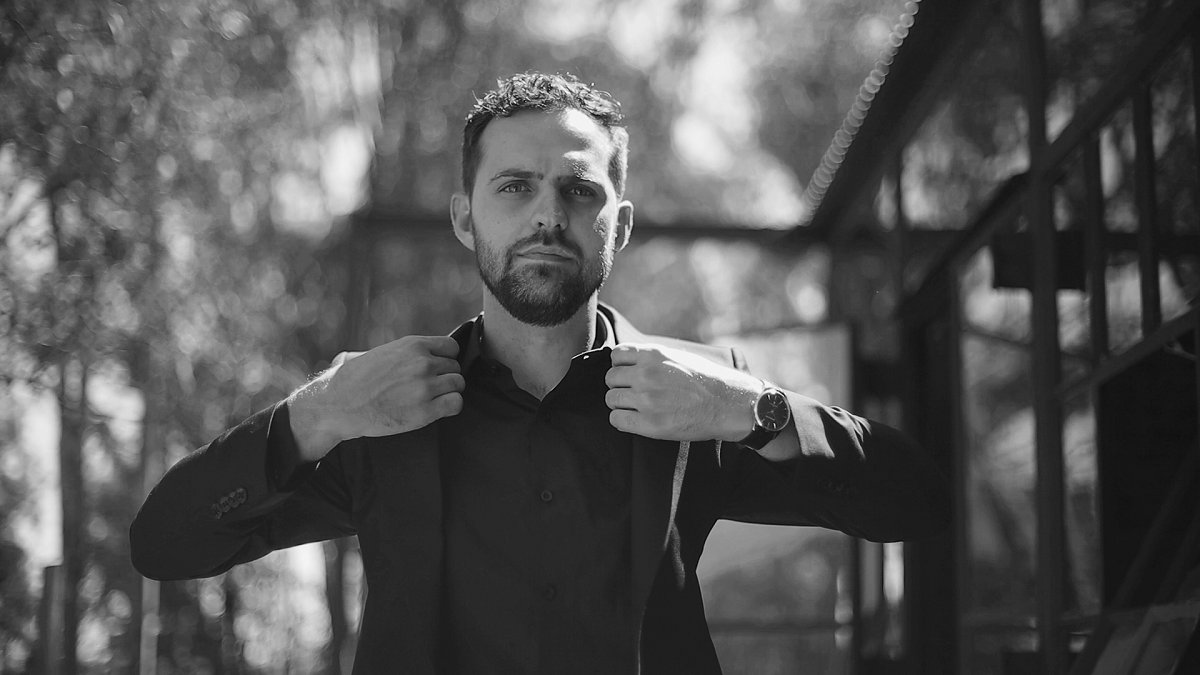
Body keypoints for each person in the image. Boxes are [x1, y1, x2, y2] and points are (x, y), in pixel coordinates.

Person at [131, 71, 950, 674]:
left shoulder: (699, 399)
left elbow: (914, 499)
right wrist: (314, 414)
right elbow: (165, 542)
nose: (548, 215)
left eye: (579, 191)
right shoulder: (378, 410)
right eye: (515, 188)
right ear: (465, 218)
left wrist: (756, 409)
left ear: (618, 226)